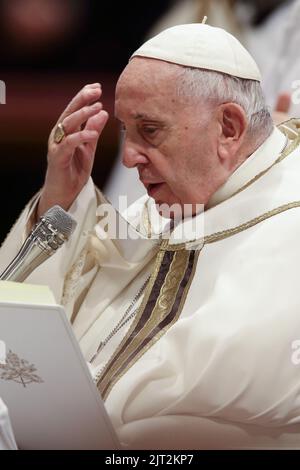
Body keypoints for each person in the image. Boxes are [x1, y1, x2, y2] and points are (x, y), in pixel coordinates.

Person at [1, 23, 300, 449]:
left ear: (229, 128)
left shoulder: (290, 226)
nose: (127, 158)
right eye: (126, 130)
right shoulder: (161, 208)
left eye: (151, 130)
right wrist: (60, 200)